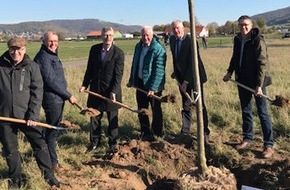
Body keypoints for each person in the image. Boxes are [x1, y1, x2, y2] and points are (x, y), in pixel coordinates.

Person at [0, 37, 61, 188]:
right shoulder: (0, 66)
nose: (16, 53)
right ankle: (15, 179)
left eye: (20, 49)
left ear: (25, 49)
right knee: (10, 150)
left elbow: (37, 92)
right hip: (5, 116)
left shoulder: (32, 67)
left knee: (40, 144)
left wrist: (33, 115)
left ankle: (49, 176)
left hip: (27, 117)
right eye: (13, 49)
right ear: (8, 49)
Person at [223, 15, 274, 158]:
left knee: (262, 112)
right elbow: (235, 57)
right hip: (242, 80)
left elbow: (262, 64)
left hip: (257, 82)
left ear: (251, 26)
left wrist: (259, 85)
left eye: (245, 24)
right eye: (240, 25)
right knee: (246, 110)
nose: (243, 27)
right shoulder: (237, 39)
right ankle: (247, 138)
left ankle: (268, 145)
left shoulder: (258, 40)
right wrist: (229, 72)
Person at [34, 31, 77, 171]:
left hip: (57, 99)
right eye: (50, 41)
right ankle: (52, 164)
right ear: (44, 41)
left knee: (53, 130)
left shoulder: (51, 55)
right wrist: (68, 95)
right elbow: (51, 81)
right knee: (52, 132)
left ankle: (51, 161)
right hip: (52, 100)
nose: (53, 44)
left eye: (56, 41)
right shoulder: (43, 58)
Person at [80, 27, 124, 153]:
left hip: (111, 92)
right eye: (105, 35)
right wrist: (85, 85)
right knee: (94, 118)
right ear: (101, 36)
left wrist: (114, 91)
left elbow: (118, 75)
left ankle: (112, 143)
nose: (108, 38)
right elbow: (89, 69)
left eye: (110, 35)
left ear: (113, 36)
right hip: (95, 90)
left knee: (112, 119)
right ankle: (94, 142)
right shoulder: (94, 49)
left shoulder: (118, 53)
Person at [169, 20, 210, 144]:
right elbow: (176, 58)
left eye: (178, 28)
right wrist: (176, 72)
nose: (176, 31)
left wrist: (186, 81)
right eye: (174, 29)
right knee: (186, 104)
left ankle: (204, 133)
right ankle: (185, 131)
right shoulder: (172, 40)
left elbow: (194, 62)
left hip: (195, 77)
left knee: (199, 104)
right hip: (181, 78)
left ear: (183, 28)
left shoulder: (191, 41)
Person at [127, 26, 166, 140]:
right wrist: (132, 80)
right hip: (140, 82)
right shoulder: (138, 47)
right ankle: (145, 132)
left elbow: (159, 70)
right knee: (142, 108)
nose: (145, 37)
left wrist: (153, 88)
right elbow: (135, 64)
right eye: (143, 35)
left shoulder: (158, 49)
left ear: (152, 35)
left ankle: (157, 133)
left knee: (156, 109)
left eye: (147, 35)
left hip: (154, 84)